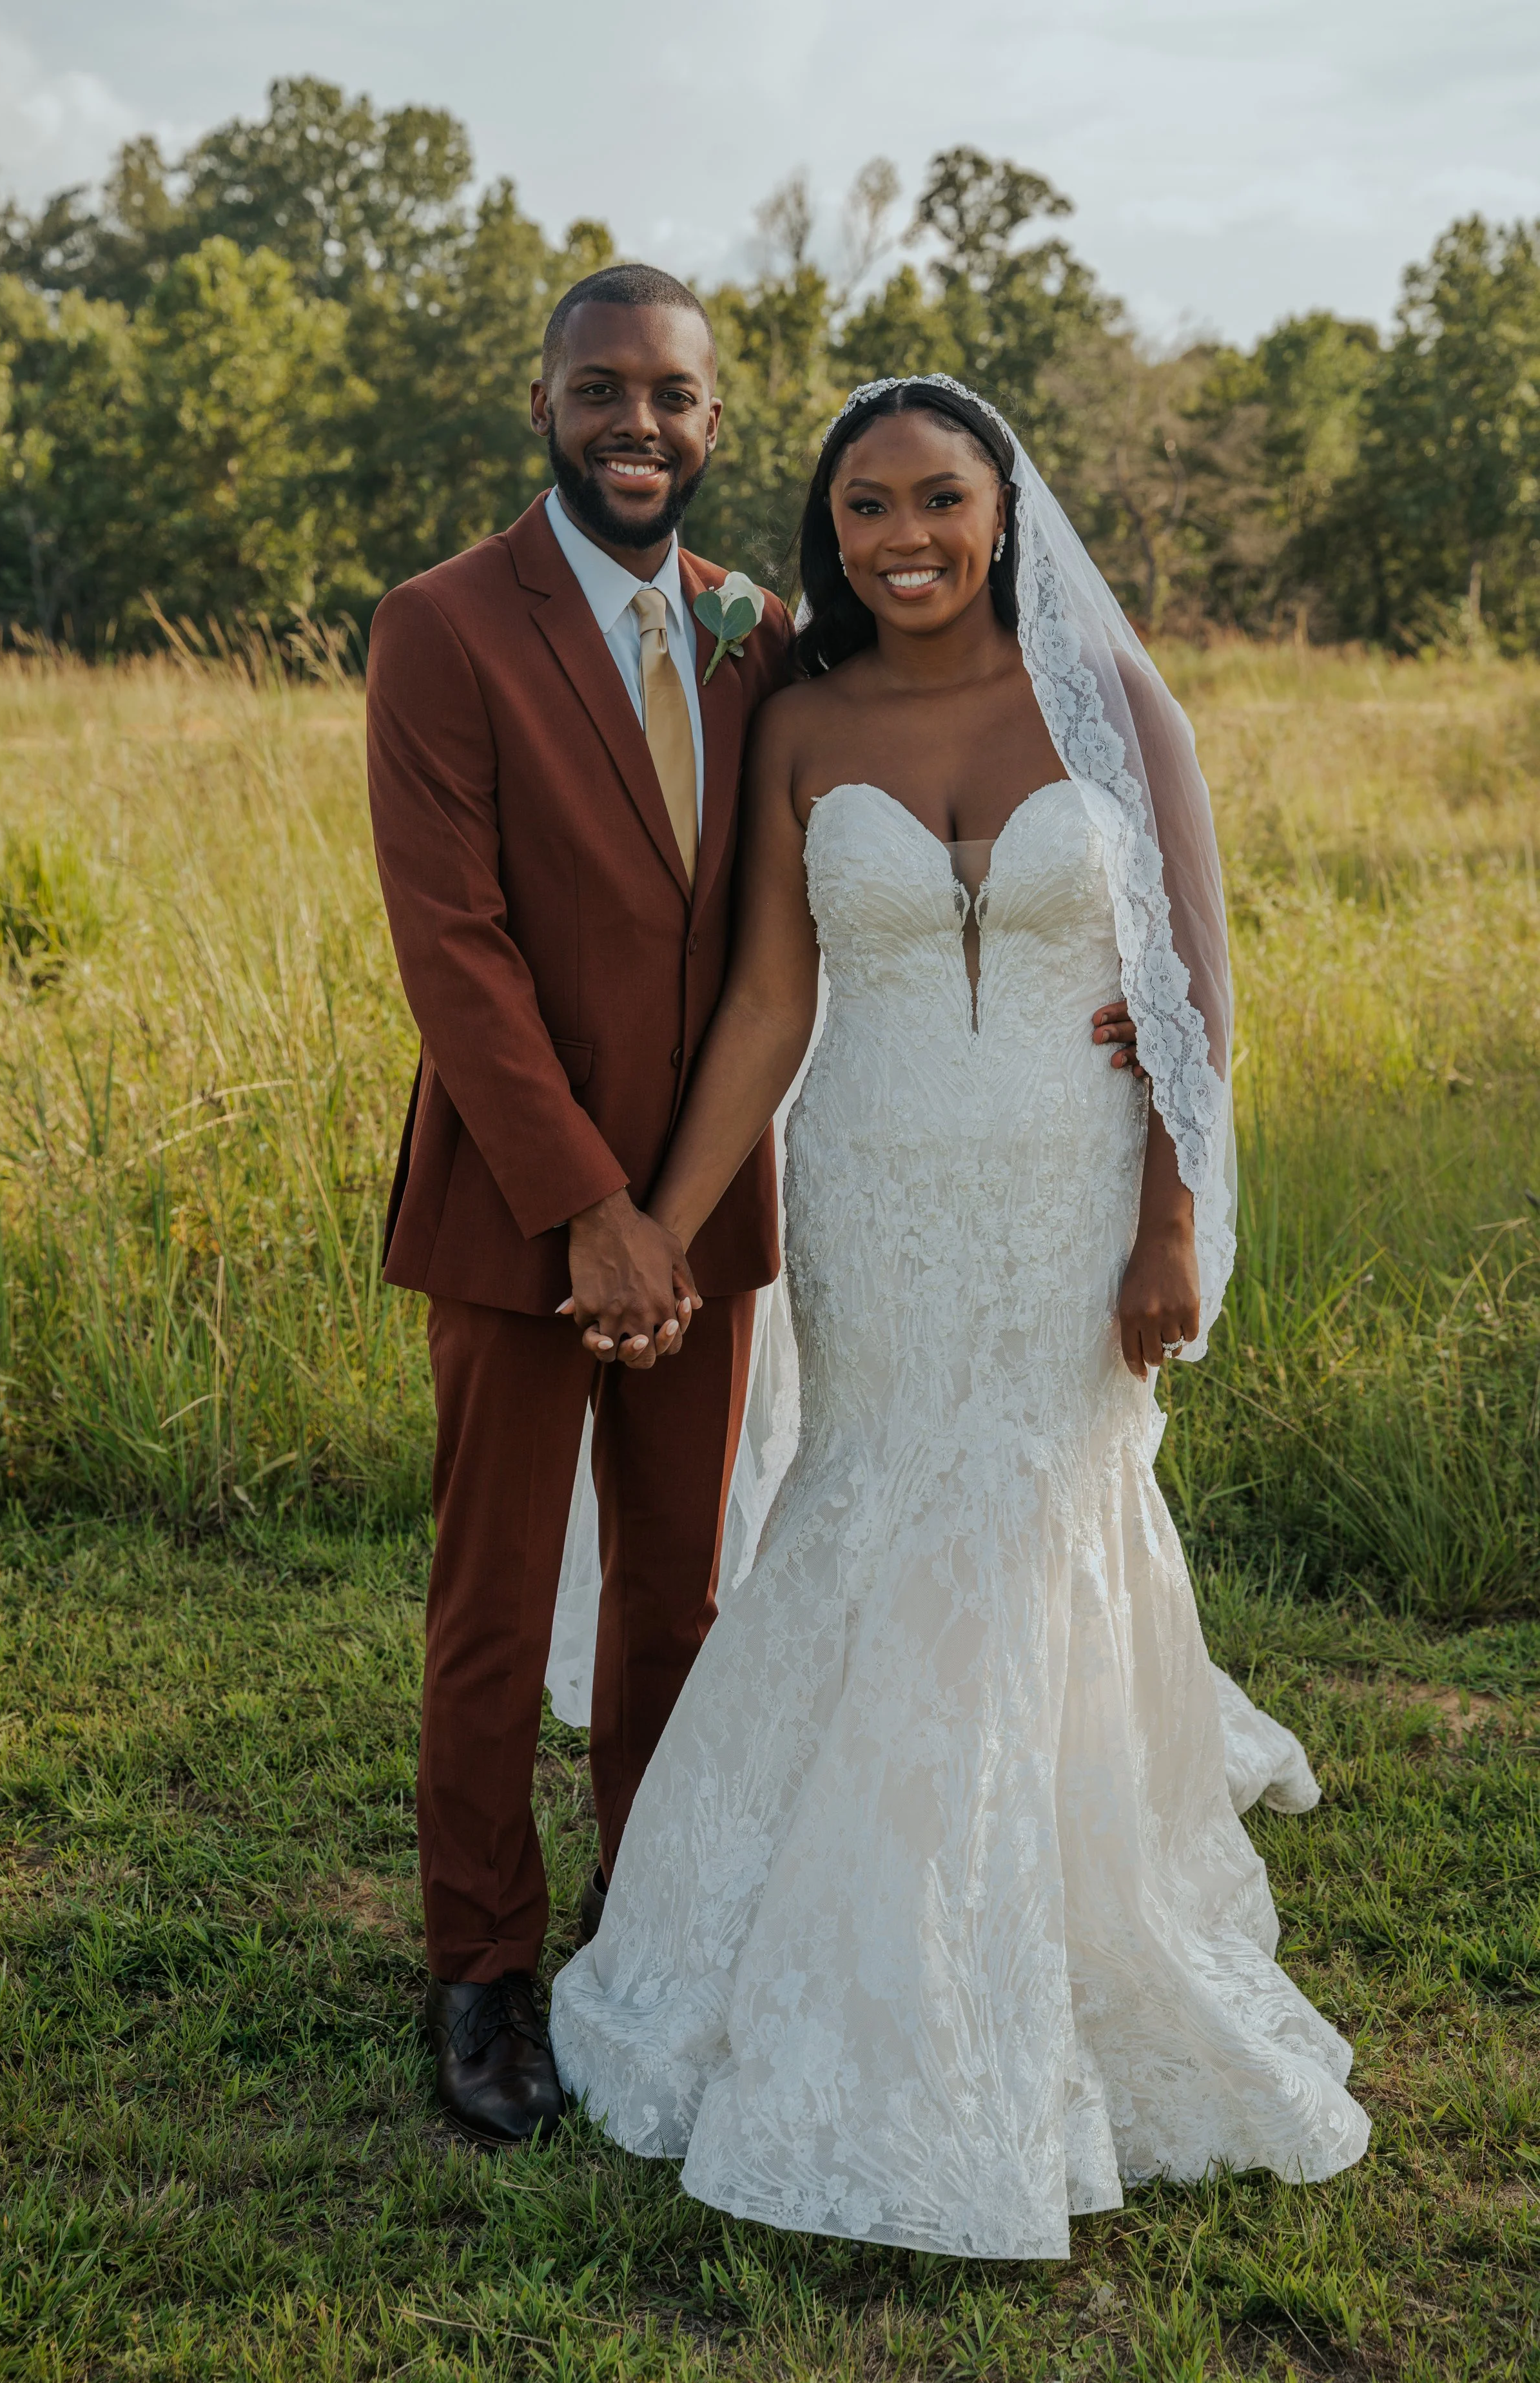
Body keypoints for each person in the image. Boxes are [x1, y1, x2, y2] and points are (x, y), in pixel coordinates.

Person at [551, 376, 1370, 2257]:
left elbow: (1188, 987)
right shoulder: (801, 722)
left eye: (935, 499)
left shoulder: (1110, 701)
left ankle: (1039, 1926)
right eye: (861, 508)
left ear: (1002, 513)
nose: (900, 537)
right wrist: (661, 1231)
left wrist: (1169, 1216)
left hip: (1065, 1189)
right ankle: (833, 1929)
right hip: (878, 1184)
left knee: (1033, 1524)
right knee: (877, 1507)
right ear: (827, 529)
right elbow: (765, 1005)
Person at [364, 265, 798, 2147]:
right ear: (540, 399)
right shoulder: (444, 624)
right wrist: (588, 1211)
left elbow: (848, 869)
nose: (640, 423)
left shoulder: (761, 631)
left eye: (674, 395)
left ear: (717, 416)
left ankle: (652, 1931)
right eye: (601, 388)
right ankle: (483, 1967)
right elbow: (451, 951)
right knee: (492, 1601)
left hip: (712, 1202)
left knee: (676, 1600)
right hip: (517, 1209)